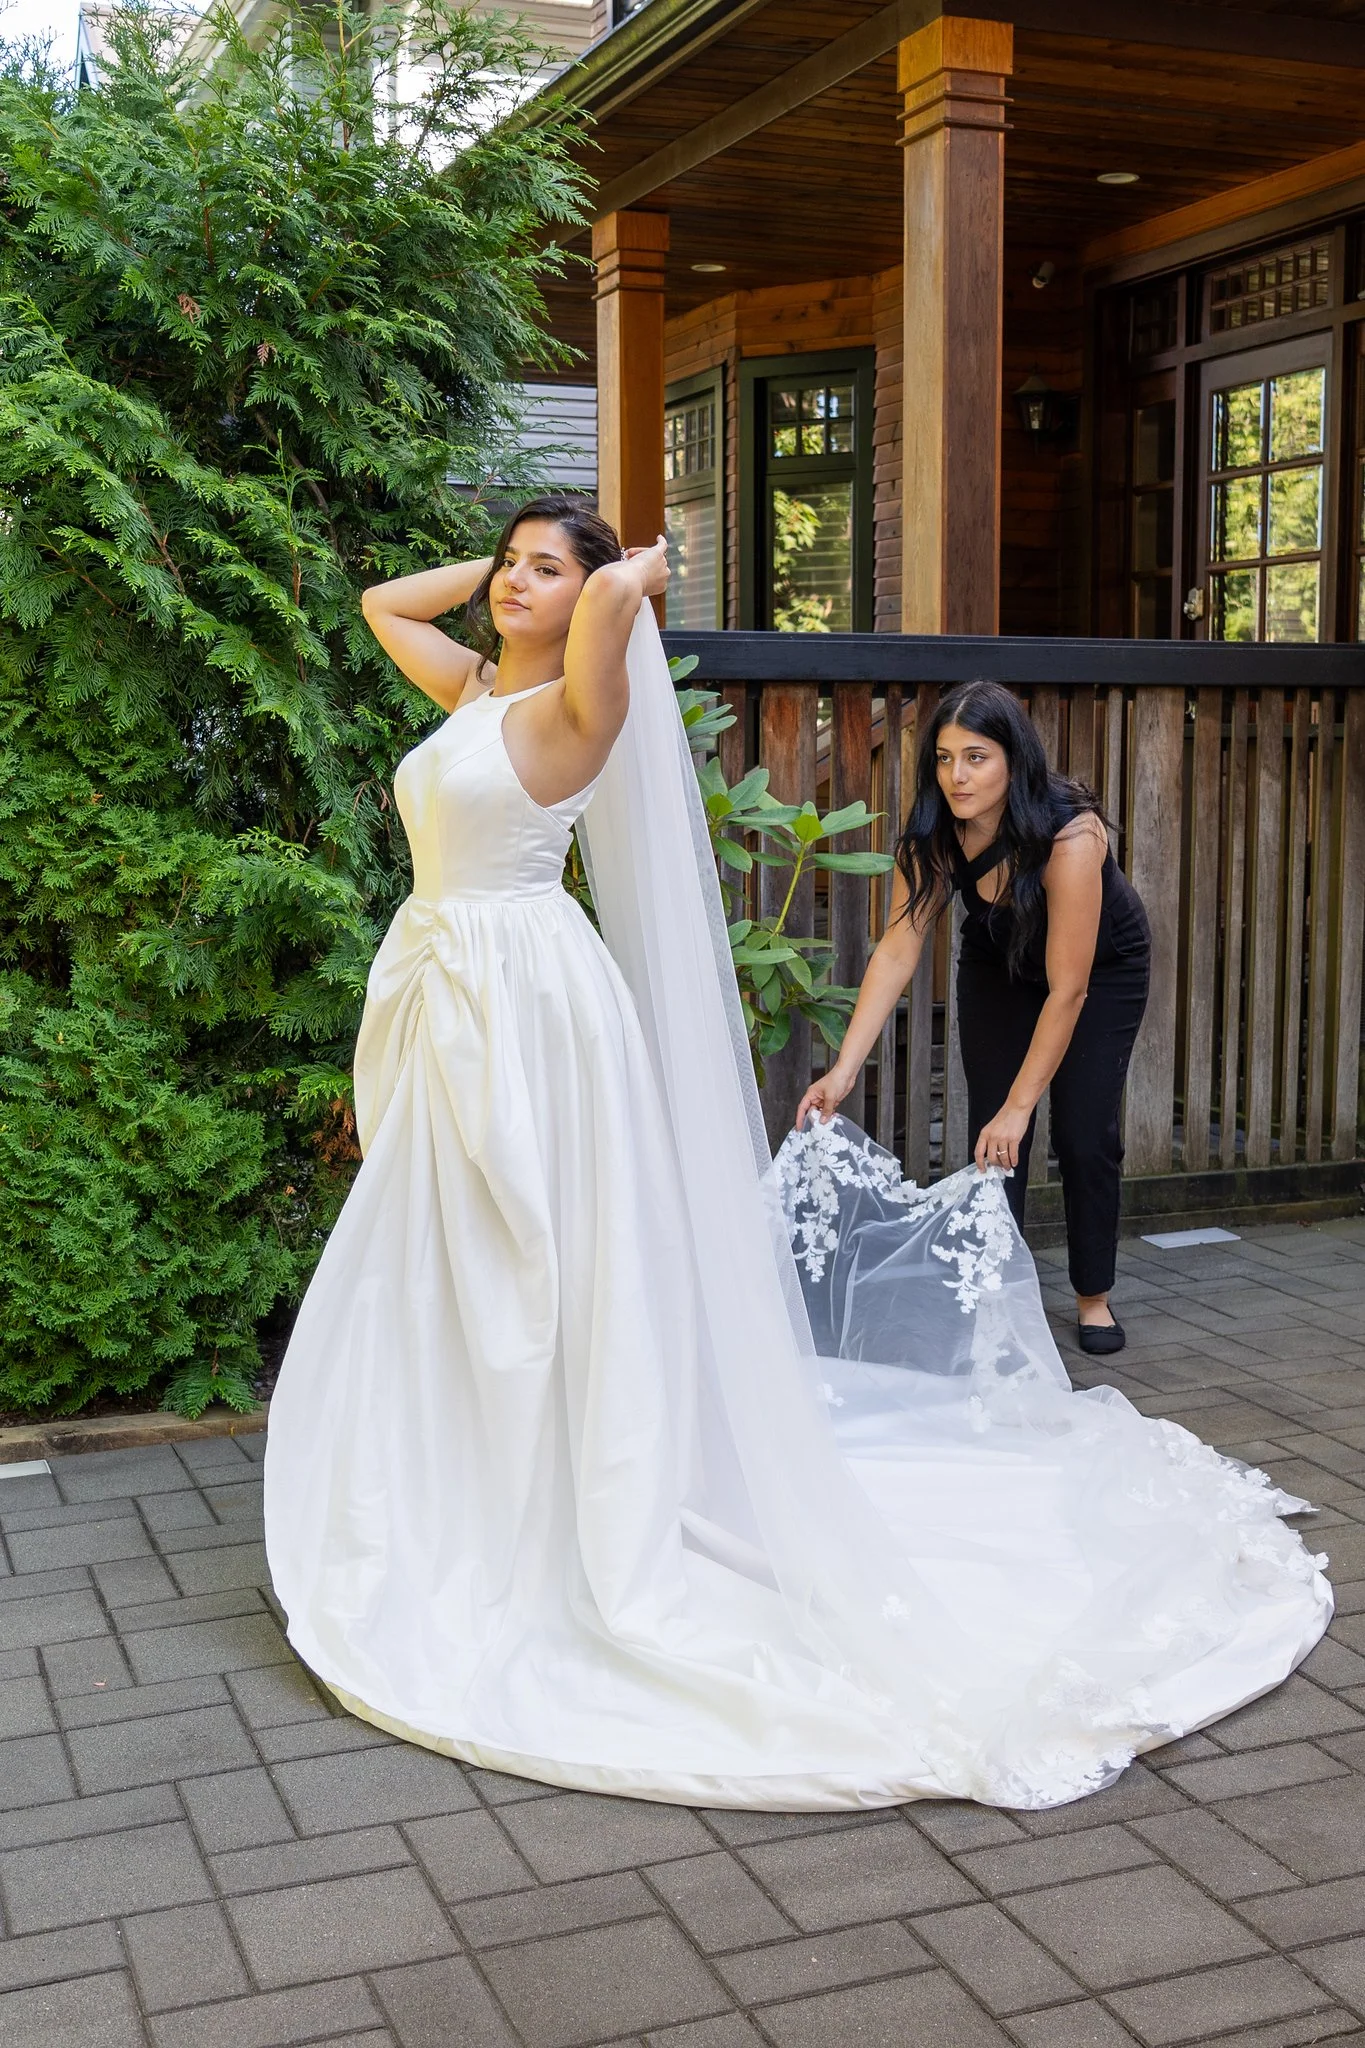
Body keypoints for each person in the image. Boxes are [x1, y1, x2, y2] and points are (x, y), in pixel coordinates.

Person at [263, 494, 1330, 1815]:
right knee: (438, 1241)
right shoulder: (484, 691)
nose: (515, 585)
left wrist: (632, 572)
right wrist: (512, 567)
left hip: (523, 1006)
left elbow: (601, 609)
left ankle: (549, 1502)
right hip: (444, 997)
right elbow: (382, 609)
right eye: (509, 567)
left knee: (527, 1247)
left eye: (546, 569)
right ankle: (452, 1479)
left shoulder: (572, 717)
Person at [799, 681, 1149, 1358]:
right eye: (943, 757)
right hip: (998, 963)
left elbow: (1067, 990)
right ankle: (997, 1298)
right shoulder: (933, 836)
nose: (956, 776)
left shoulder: (1070, 838)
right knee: (993, 1142)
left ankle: (1092, 1295)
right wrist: (841, 1070)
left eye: (976, 757)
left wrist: (1024, 1105)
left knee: (1081, 1136)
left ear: (1013, 760)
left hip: (1097, 973)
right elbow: (898, 948)